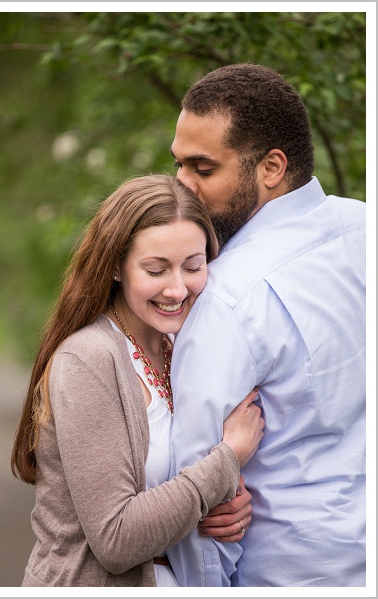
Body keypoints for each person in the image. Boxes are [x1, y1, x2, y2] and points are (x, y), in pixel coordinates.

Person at [11, 174, 265, 587]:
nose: (177, 288)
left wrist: (230, 506)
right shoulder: (90, 358)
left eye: (194, 266)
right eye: (155, 269)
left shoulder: (184, 350)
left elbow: (182, 486)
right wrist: (227, 459)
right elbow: (116, 540)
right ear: (115, 266)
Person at [166, 63, 366, 586]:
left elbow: (201, 505)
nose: (180, 187)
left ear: (272, 168)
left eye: (202, 169)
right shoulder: (365, 227)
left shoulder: (227, 297)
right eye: (178, 165)